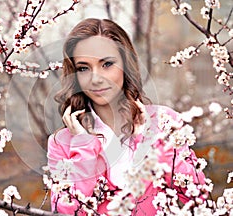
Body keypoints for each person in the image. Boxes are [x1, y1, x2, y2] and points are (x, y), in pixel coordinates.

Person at [46, 18, 205, 215]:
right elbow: (66, 211)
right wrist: (84, 146)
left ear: (125, 64)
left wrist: (152, 140)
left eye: (107, 64)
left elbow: (198, 196)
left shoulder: (164, 121)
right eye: (84, 68)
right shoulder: (62, 143)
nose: (96, 78)